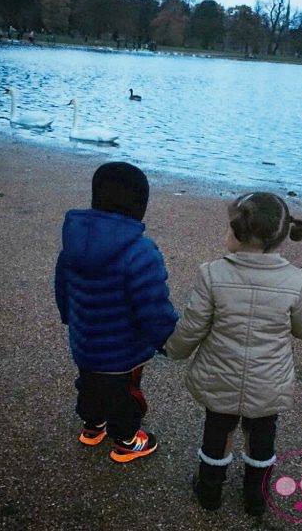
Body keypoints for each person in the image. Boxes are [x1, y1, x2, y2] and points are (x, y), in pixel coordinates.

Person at [165, 192, 302, 515]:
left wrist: (173, 349)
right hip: (267, 381)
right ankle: (255, 497)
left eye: (229, 228)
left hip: (220, 378)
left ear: (238, 233)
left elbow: (193, 326)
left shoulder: (212, 274)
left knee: (217, 430)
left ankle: (209, 490)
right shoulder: (297, 281)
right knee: (262, 434)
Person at [55, 162, 178, 463]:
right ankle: (126, 441)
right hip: (123, 352)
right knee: (125, 395)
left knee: (89, 385)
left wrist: (70, 317)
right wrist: (167, 338)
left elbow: (62, 287)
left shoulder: (73, 243)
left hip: (85, 341)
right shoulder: (141, 252)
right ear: (140, 207)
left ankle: (92, 426)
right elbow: (152, 305)